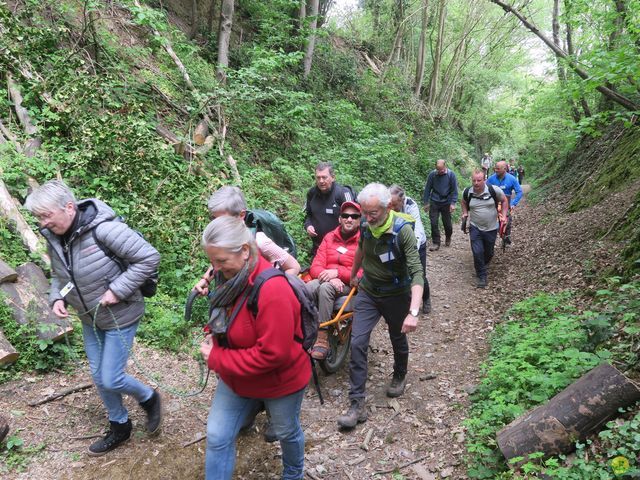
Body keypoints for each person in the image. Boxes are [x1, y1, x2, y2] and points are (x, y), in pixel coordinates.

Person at [24, 180, 162, 456]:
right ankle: (119, 425)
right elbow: (59, 275)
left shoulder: (106, 229)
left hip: (121, 314)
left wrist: (117, 289)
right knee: (99, 376)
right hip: (89, 317)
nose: (42, 222)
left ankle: (149, 397)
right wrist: (57, 297)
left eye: (46, 215)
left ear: (69, 207)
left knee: (110, 378)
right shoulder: (54, 236)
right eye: (38, 217)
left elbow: (149, 258)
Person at [199, 216, 310, 480]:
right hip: (237, 377)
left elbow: (273, 354)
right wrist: (213, 334)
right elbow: (230, 316)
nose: (214, 268)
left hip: (279, 381)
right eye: (212, 261)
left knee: (286, 431)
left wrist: (217, 357)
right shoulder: (230, 276)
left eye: (221, 261)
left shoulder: (273, 290)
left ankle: (293, 473)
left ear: (245, 250)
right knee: (217, 436)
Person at [337, 183, 423, 429]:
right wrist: (354, 274)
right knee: (357, 342)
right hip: (369, 291)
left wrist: (413, 312)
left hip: (396, 294)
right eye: (365, 212)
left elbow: (417, 271)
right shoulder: (366, 226)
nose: (367, 217)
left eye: (373, 212)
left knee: (397, 337)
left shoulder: (402, 231)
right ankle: (356, 404)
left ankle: (399, 374)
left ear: (387, 208)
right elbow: (361, 250)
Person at [194, 186, 300, 295]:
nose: (216, 224)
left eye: (223, 219)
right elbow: (220, 260)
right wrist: (206, 279)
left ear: (241, 215)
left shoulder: (259, 241)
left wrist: (276, 290)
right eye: (213, 219)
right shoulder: (226, 238)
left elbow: (294, 267)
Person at [305, 201, 362, 360]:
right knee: (307, 287)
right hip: (325, 278)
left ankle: (322, 337)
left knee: (326, 289)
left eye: (354, 216)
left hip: (349, 285)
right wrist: (327, 274)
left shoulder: (363, 240)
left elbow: (362, 272)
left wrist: (337, 273)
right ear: (340, 219)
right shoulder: (329, 237)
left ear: (359, 220)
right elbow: (315, 266)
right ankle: (305, 327)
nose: (349, 219)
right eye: (345, 215)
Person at [460, 171, 508, 288]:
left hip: (491, 227)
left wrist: (504, 215)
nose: (476, 183)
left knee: (489, 252)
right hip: (475, 226)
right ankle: (482, 276)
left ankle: (482, 263)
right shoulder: (467, 192)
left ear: (484, 180)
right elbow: (463, 202)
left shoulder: (493, 190)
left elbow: (504, 200)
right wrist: (465, 213)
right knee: (477, 252)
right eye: (474, 180)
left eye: (479, 180)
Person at [389, 185, 432, 314]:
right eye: (390, 204)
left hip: (417, 242)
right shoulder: (385, 204)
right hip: (396, 243)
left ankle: (426, 297)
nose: (391, 208)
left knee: (419, 274)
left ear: (402, 201)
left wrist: (412, 250)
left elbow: (417, 228)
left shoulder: (410, 205)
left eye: (394, 205)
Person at [303, 162, 355, 257]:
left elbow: (354, 219)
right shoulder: (311, 193)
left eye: (324, 177)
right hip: (318, 246)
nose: (321, 181)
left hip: (339, 247)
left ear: (333, 177)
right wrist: (308, 225)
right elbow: (308, 215)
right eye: (318, 177)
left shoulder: (343, 193)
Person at [422, 159, 458, 251]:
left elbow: (454, 190)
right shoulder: (432, 175)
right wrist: (426, 203)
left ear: (445, 166)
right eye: (438, 169)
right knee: (433, 222)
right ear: (436, 168)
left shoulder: (451, 175)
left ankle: (448, 236)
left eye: (441, 169)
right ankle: (436, 242)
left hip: (446, 201)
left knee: (447, 224)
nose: (440, 171)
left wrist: (453, 203)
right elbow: (427, 189)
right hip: (435, 200)